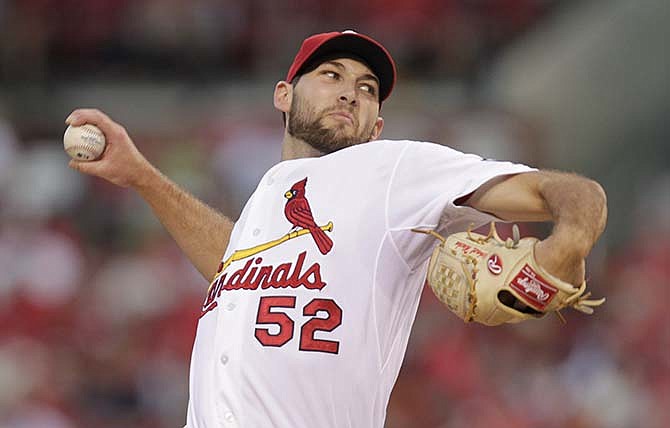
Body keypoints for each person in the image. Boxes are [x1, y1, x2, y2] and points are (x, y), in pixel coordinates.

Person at [65, 30, 607, 428]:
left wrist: (569, 244)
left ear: (378, 125)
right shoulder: (270, 197)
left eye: (367, 88)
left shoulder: (395, 170)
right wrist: (140, 175)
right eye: (331, 76)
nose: (350, 92)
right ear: (284, 94)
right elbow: (236, 269)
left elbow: (571, 194)